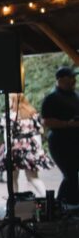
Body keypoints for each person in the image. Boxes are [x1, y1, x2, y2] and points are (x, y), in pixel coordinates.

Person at [0, 93, 52, 197]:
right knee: (33, 178)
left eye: (9, 100)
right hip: (30, 148)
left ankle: (14, 203)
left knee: (13, 178)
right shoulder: (32, 114)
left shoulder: (9, 116)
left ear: (13, 101)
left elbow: (7, 136)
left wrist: (6, 152)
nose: (7, 102)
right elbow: (37, 133)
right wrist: (39, 150)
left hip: (15, 149)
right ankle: (48, 200)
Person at [41, 66, 79, 206]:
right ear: (61, 79)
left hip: (76, 141)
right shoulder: (51, 99)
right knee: (70, 175)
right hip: (60, 142)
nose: (74, 80)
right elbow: (46, 121)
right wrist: (68, 124)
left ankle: (69, 205)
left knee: (73, 176)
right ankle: (61, 205)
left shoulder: (76, 96)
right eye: (71, 77)